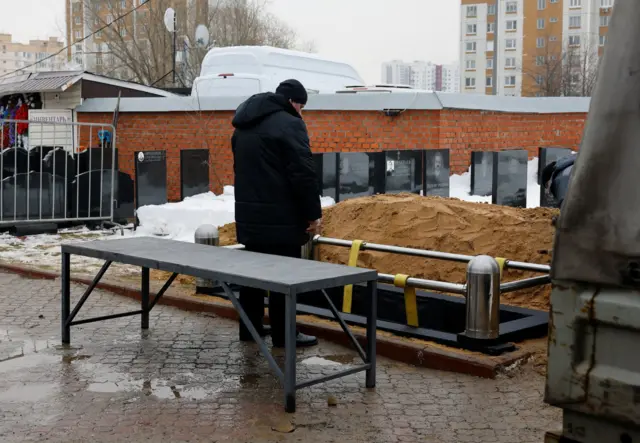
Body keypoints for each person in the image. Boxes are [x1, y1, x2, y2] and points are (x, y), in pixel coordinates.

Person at [231, 79, 322, 348]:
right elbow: (302, 173)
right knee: (285, 276)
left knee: (253, 274)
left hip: (250, 216)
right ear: (292, 102)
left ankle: (251, 328)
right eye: (301, 106)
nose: (301, 112)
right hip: (282, 218)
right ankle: (285, 335)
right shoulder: (290, 123)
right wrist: (312, 214)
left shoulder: (242, 125)